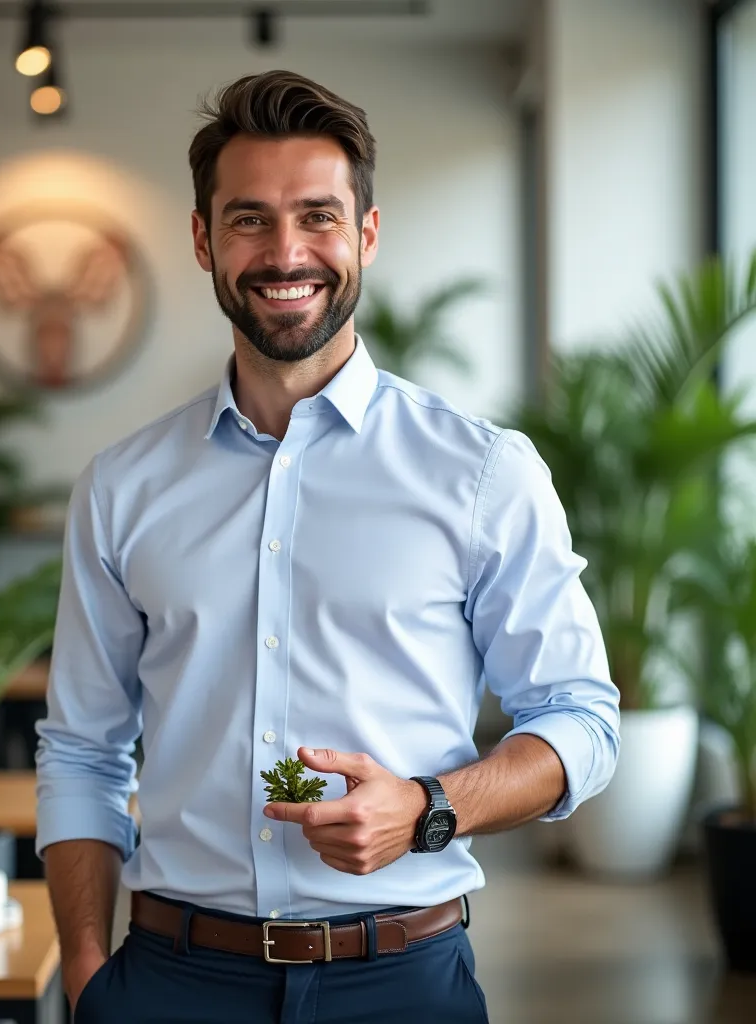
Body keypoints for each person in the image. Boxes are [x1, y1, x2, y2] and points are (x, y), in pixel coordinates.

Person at [35, 69, 620, 1024]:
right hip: (172, 982)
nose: (285, 252)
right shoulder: (121, 487)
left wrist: (428, 806)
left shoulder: (482, 473)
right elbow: (82, 751)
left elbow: (581, 721)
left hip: (404, 980)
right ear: (203, 240)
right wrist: (89, 972)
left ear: (366, 235)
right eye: (249, 219)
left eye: (318, 216)